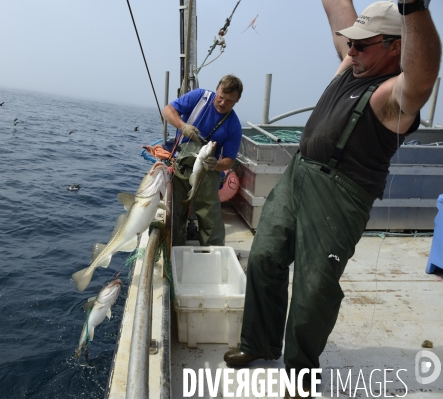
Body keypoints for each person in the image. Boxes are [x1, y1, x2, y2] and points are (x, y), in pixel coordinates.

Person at [224, 0, 441, 396]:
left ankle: (299, 374)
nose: (350, 51)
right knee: (265, 257)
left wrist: (413, 8)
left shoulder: (393, 95)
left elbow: (422, 78)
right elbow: (338, 8)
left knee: (314, 292)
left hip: (340, 195)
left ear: (395, 47)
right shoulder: (354, 63)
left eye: (362, 45)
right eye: (351, 45)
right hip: (299, 175)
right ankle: (260, 343)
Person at [163, 75, 243, 246]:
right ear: (216, 89)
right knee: (175, 211)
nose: (222, 103)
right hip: (180, 165)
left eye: (229, 101)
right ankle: (173, 247)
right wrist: (182, 126)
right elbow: (168, 110)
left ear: (237, 101)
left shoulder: (234, 125)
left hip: (207, 170)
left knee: (210, 215)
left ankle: (213, 251)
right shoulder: (199, 97)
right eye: (221, 96)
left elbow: (229, 160)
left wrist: (216, 165)